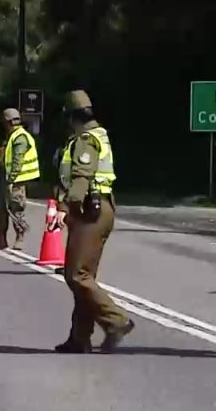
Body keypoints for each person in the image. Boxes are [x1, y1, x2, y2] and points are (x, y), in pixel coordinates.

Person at [48, 90, 134, 354]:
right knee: (85, 276)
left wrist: (65, 208)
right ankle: (80, 337)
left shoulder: (85, 140)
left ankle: (117, 320)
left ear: (72, 116)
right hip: (99, 208)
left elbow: (81, 178)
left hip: (89, 211)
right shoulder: (99, 135)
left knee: (76, 275)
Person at [0, 108, 40, 250]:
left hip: (16, 181)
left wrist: (11, 179)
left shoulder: (20, 137)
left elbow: (17, 160)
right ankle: (2, 238)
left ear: (8, 122)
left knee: (16, 208)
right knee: (0, 208)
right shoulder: (11, 137)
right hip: (4, 178)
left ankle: (20, 237)